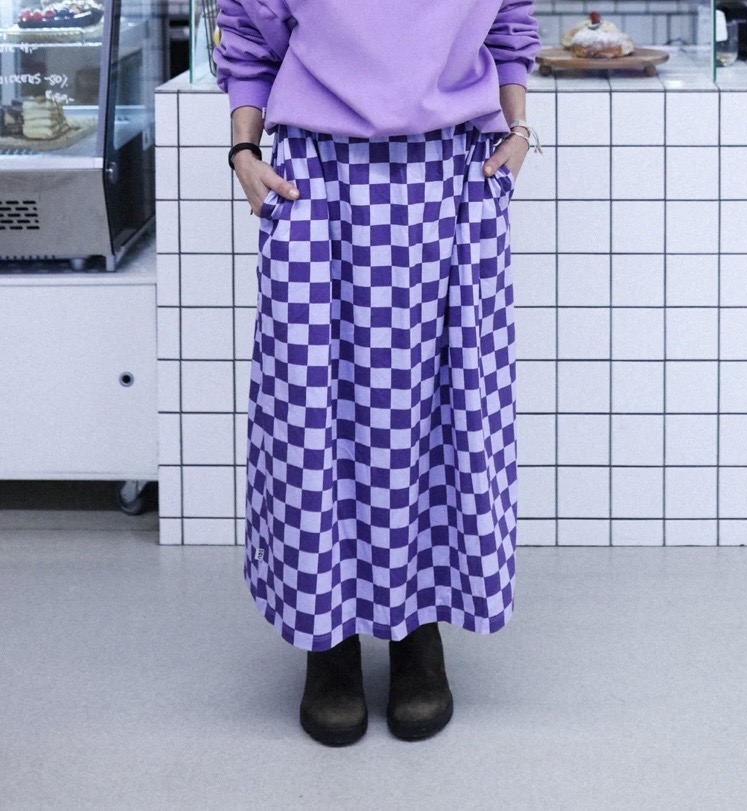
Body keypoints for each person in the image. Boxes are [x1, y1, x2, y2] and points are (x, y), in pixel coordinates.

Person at [213, 0, 542, 746]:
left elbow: (509, 26)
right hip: (317, 176)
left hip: (451, 172)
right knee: (310, 408)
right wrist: (243, 149)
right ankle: (324, 634)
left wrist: (519, 128)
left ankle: (417, 629)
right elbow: (249, 37)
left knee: (441, 405)